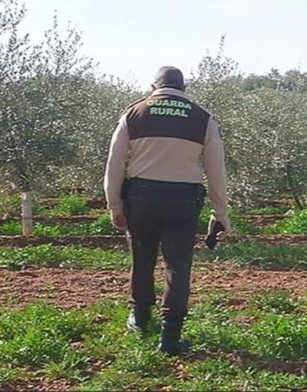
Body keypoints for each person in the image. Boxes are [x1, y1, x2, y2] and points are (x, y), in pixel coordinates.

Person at [104, 66, 229, 355]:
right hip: (182, 200)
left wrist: (115, 205)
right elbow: (216, 171)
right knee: (178, 266)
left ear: (153, 86)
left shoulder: (133, 114)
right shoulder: (202, 118)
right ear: (183, 88)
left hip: (141, 198)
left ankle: (140, 317)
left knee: (142, 257)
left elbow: (114, 164)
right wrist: (220, 212)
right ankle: (170, 337)